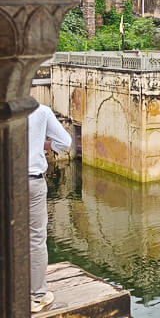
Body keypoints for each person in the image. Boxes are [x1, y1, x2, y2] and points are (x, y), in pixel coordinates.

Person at [28, 103, 72, 313]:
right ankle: (36, 296)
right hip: (31, 181)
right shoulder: (40, 111)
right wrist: (44, 145)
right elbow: (65, 141)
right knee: (36, 238)